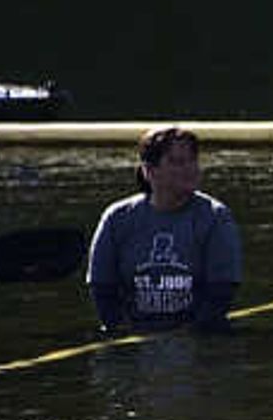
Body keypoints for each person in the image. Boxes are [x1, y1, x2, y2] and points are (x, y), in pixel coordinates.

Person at [88, 127, 246, 330]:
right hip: (134, 338)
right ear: (149, 171)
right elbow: (102, 287)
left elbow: (222, 290)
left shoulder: (215, 217)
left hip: (196, 338)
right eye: (178, 162)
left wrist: (190, 336)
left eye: (192, 160)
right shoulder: (117, 218)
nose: (190, 169)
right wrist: (123, 332)